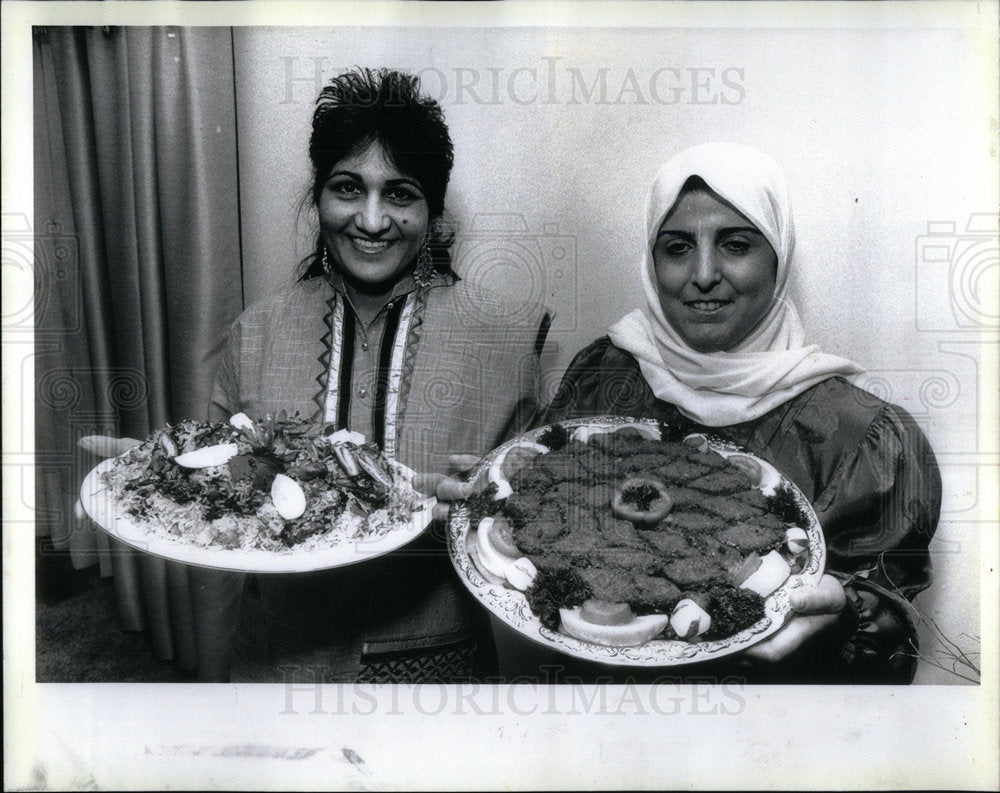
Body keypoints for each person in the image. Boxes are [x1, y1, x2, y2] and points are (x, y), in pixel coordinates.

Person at [87, 68, 549, 683]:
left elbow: (538, 509)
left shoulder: (508, 336)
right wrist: (162, 472)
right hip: (281, 657)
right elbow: (231, 488)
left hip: (437, 665)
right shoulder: (256, 331)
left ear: (433, 211)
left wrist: (484, 501)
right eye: (348, 188)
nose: (373, 219)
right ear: (319, 196)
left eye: (402, 194)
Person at [449, 142, 940, 683]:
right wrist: (487, 488)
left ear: (779, 255)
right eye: (678, 247)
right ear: (650, 260)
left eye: (735, 244)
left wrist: (850, 614)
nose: (703, 274)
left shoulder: (862, 435)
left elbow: (898, 645)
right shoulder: (605, 375)